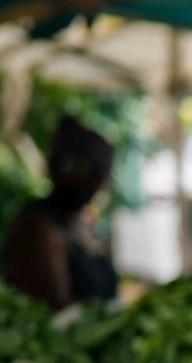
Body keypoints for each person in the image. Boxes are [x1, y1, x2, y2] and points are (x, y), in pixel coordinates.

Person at [2, 116, 118, 308]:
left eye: (90, 173)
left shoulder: (81, 221)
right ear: (54, 168)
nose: (78, 179)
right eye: (69, 166)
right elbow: (54, 305)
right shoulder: (38, 226)